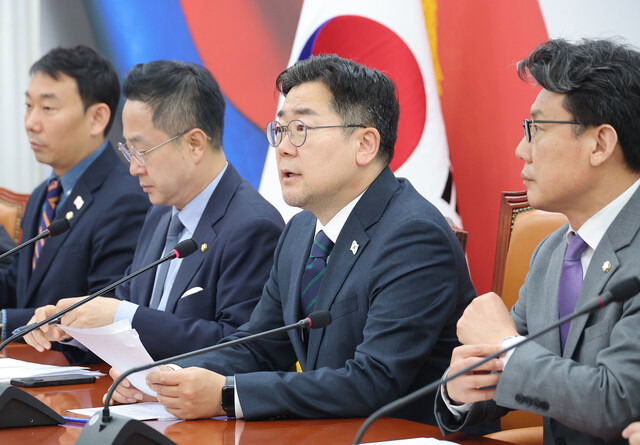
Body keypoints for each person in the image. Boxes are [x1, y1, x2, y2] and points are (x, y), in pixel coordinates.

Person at [106, 54, 475, 425]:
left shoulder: (414, 236)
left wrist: (226, 395)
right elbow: (258, 347)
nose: (282, 147)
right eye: (280, 130)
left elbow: (373, 380)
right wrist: (165, 378)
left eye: (301, 128)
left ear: (365, 144)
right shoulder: (300, 230)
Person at [434, 39, 640, 444]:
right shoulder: (552, 251)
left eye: (537, 129)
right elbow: (524, 374)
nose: (521, 150)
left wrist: (505, 344)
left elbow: (618, 401)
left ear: (600, 144)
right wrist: (459, 393)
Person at [23, 61, 284, 361]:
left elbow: (240, 347)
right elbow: (126, 303)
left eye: (141, 151)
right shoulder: (159, 214)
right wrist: (73, 326)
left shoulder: (253, 227)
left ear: (195, 144)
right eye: (128, 151)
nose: (133, 168)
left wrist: (126, 317)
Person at [0, 45, 150, 340]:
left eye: (48, 108)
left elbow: (103, 313)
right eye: (28, 106)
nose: (31, 123)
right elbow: (19, 286)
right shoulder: (44, 194)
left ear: (97, 118)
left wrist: (5, 321)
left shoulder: (126, 200)